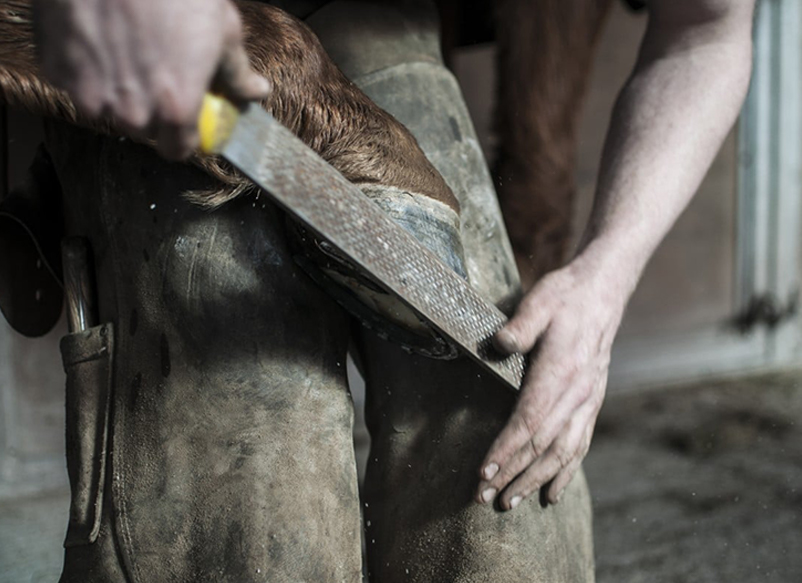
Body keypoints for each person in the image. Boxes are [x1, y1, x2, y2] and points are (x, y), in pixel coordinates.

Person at [27, 0, 755, 580]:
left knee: (506, 467)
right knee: (245, 506)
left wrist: (606, 273)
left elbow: (705, 33)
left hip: (376, 18)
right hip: (149, 39)